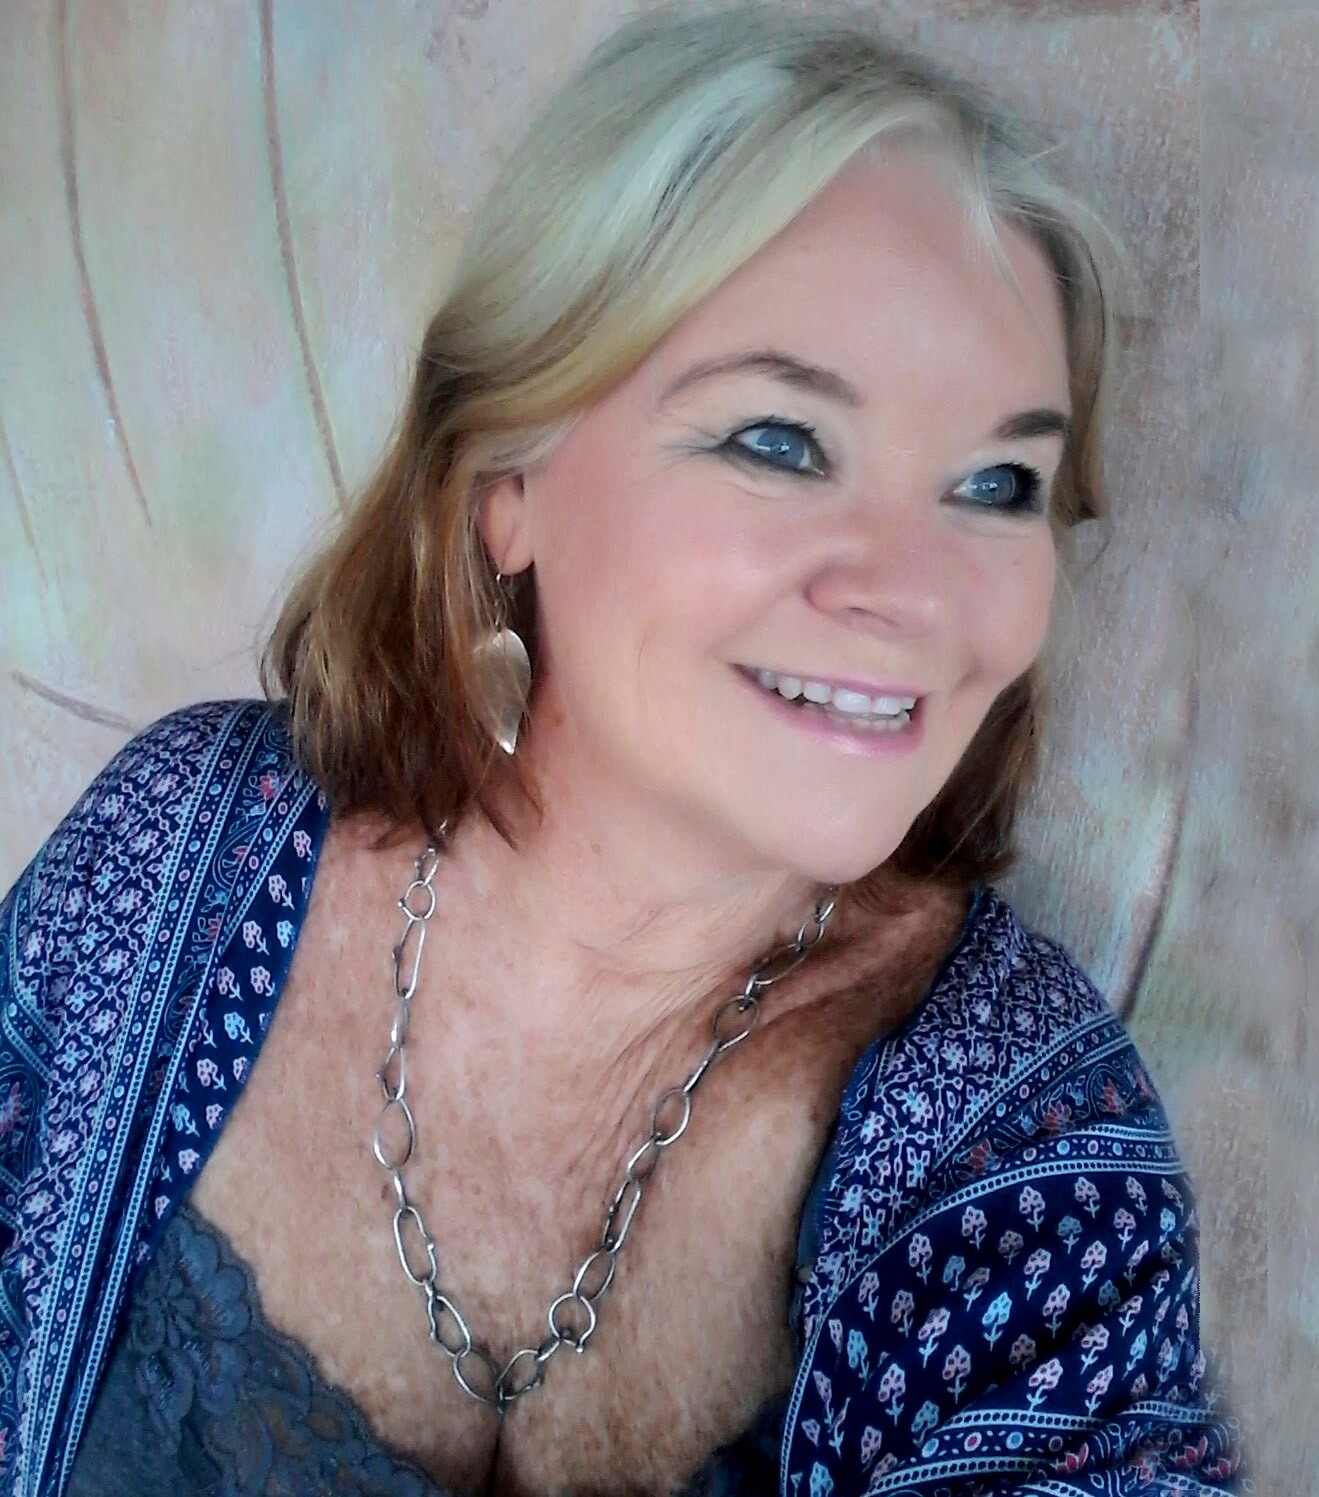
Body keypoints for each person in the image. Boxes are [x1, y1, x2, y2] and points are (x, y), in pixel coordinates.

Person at [0, 5, 1243, 1494]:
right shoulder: (173, 860)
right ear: (506, 483)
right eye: (780, 441)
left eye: (997, 483)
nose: (913, 593)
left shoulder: (1026, 1161)